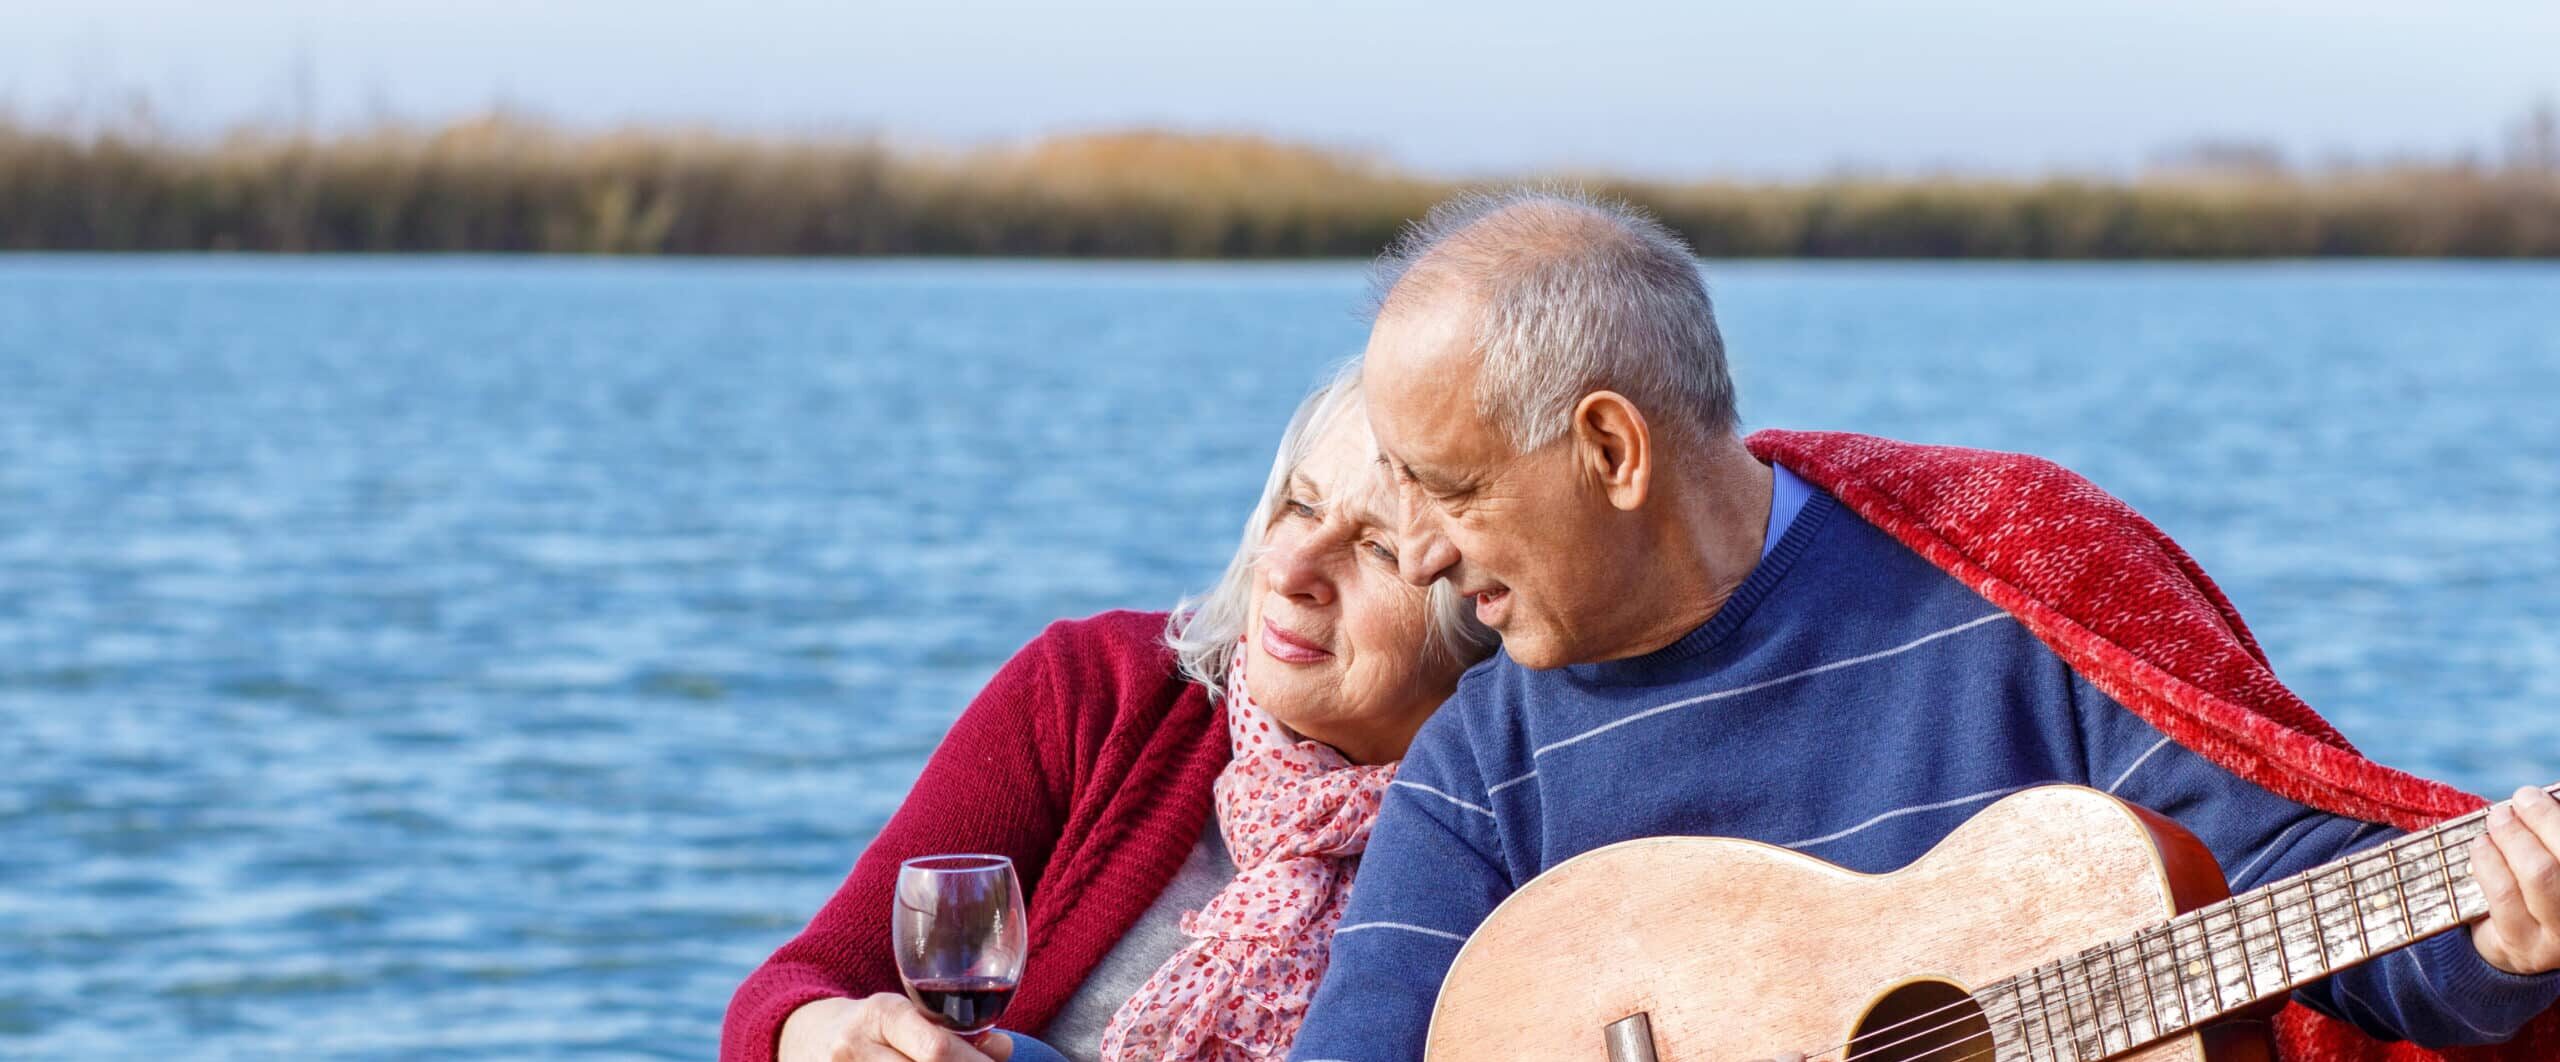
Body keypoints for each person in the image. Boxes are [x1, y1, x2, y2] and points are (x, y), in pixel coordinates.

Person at [1288, 189, 2560, 1062]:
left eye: (1453, 491)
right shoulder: (1484, 766)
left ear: (1613, 449)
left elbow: (2295, 901)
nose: (1428, 553)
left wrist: (2501, 943)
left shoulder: (2007, 578)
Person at [722, 359, 1496, 1062]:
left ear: (1485, 604)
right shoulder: (1100, 690)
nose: (1291, 569)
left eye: (1380, 550)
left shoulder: (1516, 817)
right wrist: (823, 1035)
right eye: (1299, 506)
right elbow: (795, 988)